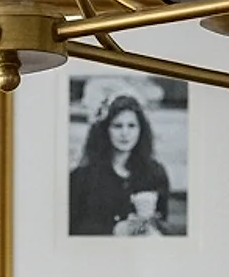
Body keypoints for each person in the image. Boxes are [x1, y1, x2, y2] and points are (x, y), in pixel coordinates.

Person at [68, 93, 171, 237]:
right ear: (105, 130)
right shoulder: (82, 177)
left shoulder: (155, 174)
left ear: (141, 130)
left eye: (131, 126)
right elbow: (71, 230)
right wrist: (113, 230)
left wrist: (151, 224)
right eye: (117, 126)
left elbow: (165, 226)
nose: (125, 133)